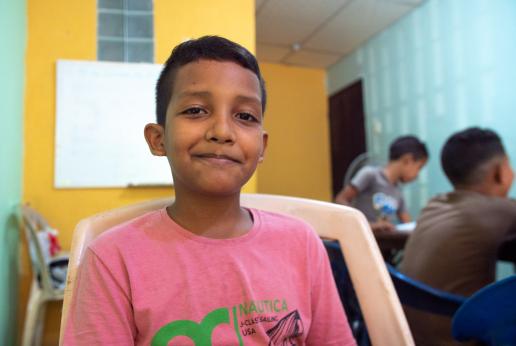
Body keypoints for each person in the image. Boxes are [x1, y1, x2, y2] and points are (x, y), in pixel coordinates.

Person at [63, 36, 356, 346]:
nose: (222, 132)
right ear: (158, 139)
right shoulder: (113, 258)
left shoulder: (302, 243)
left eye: (245, 116)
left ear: (262, 147)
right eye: (196, 110)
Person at [399, 127, 516, 346]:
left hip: (408, 337)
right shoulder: (500, 210)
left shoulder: (434, 204)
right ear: (499, 172)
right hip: (460, 337)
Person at [335, 136, 428, 233]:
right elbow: (340, 199)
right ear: (407, 160)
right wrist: (370, 225)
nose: (418, 174)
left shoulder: (398, 191)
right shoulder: (370, 175)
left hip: (384, 243)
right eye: (419, 167)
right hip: (361, 238)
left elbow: (408, 224)